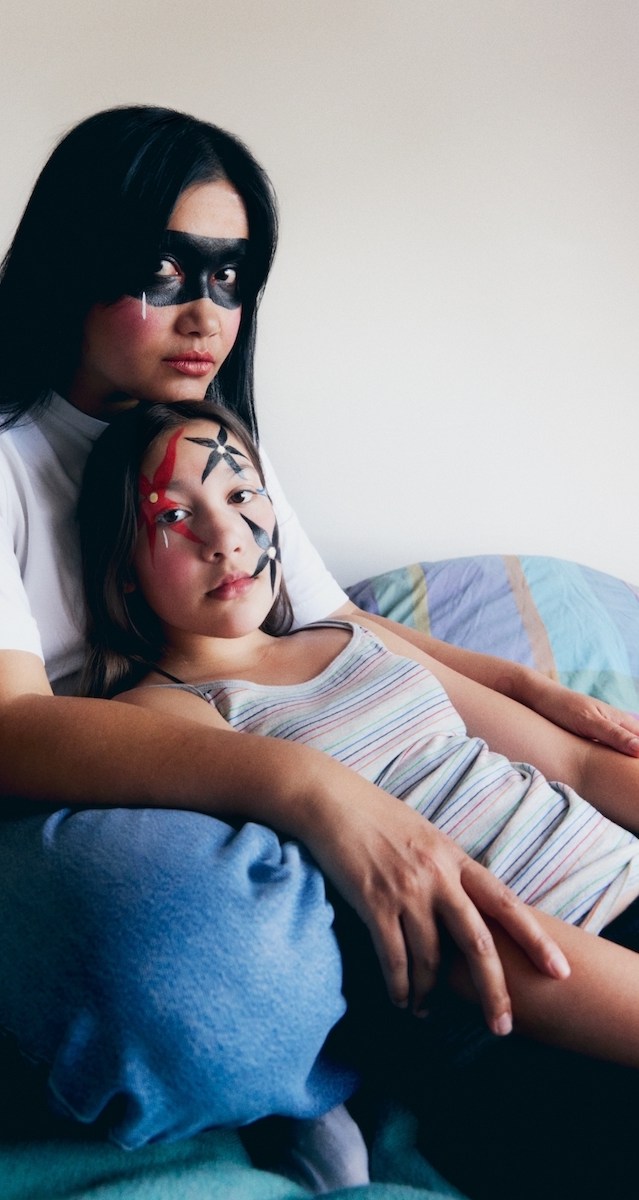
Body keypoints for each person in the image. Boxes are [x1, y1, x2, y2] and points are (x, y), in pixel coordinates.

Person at [0, 106, 639, 1194]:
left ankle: (345, 1056)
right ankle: (319, 1076)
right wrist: (315, 791)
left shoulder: (203, 434)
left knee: (305, 922)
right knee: (189, 956)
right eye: (163, 272)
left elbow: (329, 621)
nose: (205, 314)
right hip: (18, 791)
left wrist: (521, 690)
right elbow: (6, 731)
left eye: (229, 278)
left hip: (219, 761)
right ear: (73, 261)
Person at [78, 397, 639, 1193]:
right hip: (517, 1008)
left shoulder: (352, 636)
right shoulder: (165, 715)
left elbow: (573, 763)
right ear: (123, 566)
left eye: (240, 495)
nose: (224, 536)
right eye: (173, 514)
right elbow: (432, 930)